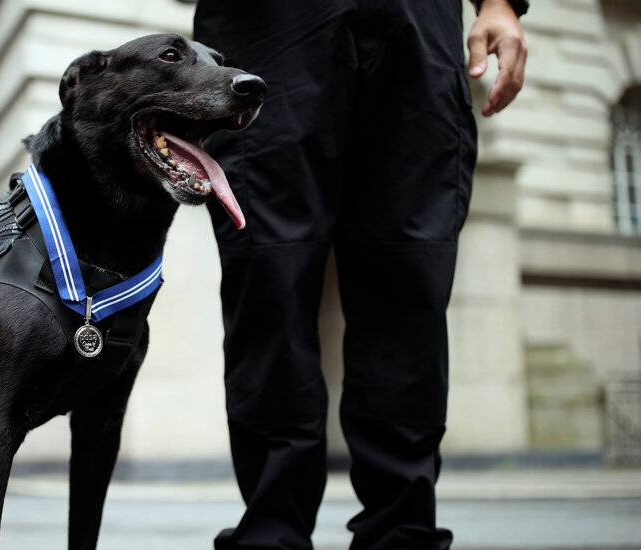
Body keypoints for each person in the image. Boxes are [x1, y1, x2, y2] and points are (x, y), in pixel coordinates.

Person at [193, 0, 528, 548]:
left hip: (416, 28)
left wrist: (501, 5)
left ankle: (400, 534)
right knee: (269, 285)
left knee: (408, 291)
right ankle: (273, 534)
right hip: (270, 31)